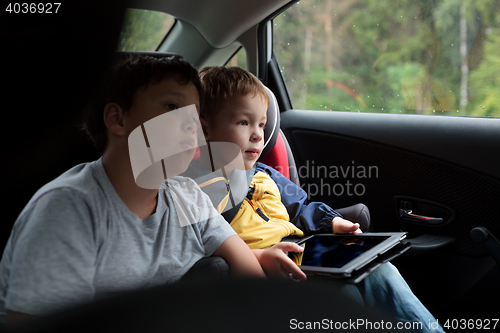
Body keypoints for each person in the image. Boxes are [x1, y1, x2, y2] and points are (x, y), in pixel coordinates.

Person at [0, 55, 265, 325]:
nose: (192, 124)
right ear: (118, 119)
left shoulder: (188, 197)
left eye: (195, 115)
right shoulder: (69, 209)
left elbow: (254, 285)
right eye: (172, 106)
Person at [185, 65, 444, 332]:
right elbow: (193, 251)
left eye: (261, 123)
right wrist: (258, 256)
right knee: (345, 295)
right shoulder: (192, 190)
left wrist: (332, 223)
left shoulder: (266, 175)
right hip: (265, 272)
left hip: (308, 254)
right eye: (243, 122)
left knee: (381, 270)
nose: (257, 134)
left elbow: (302, 208)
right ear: (205, 130)